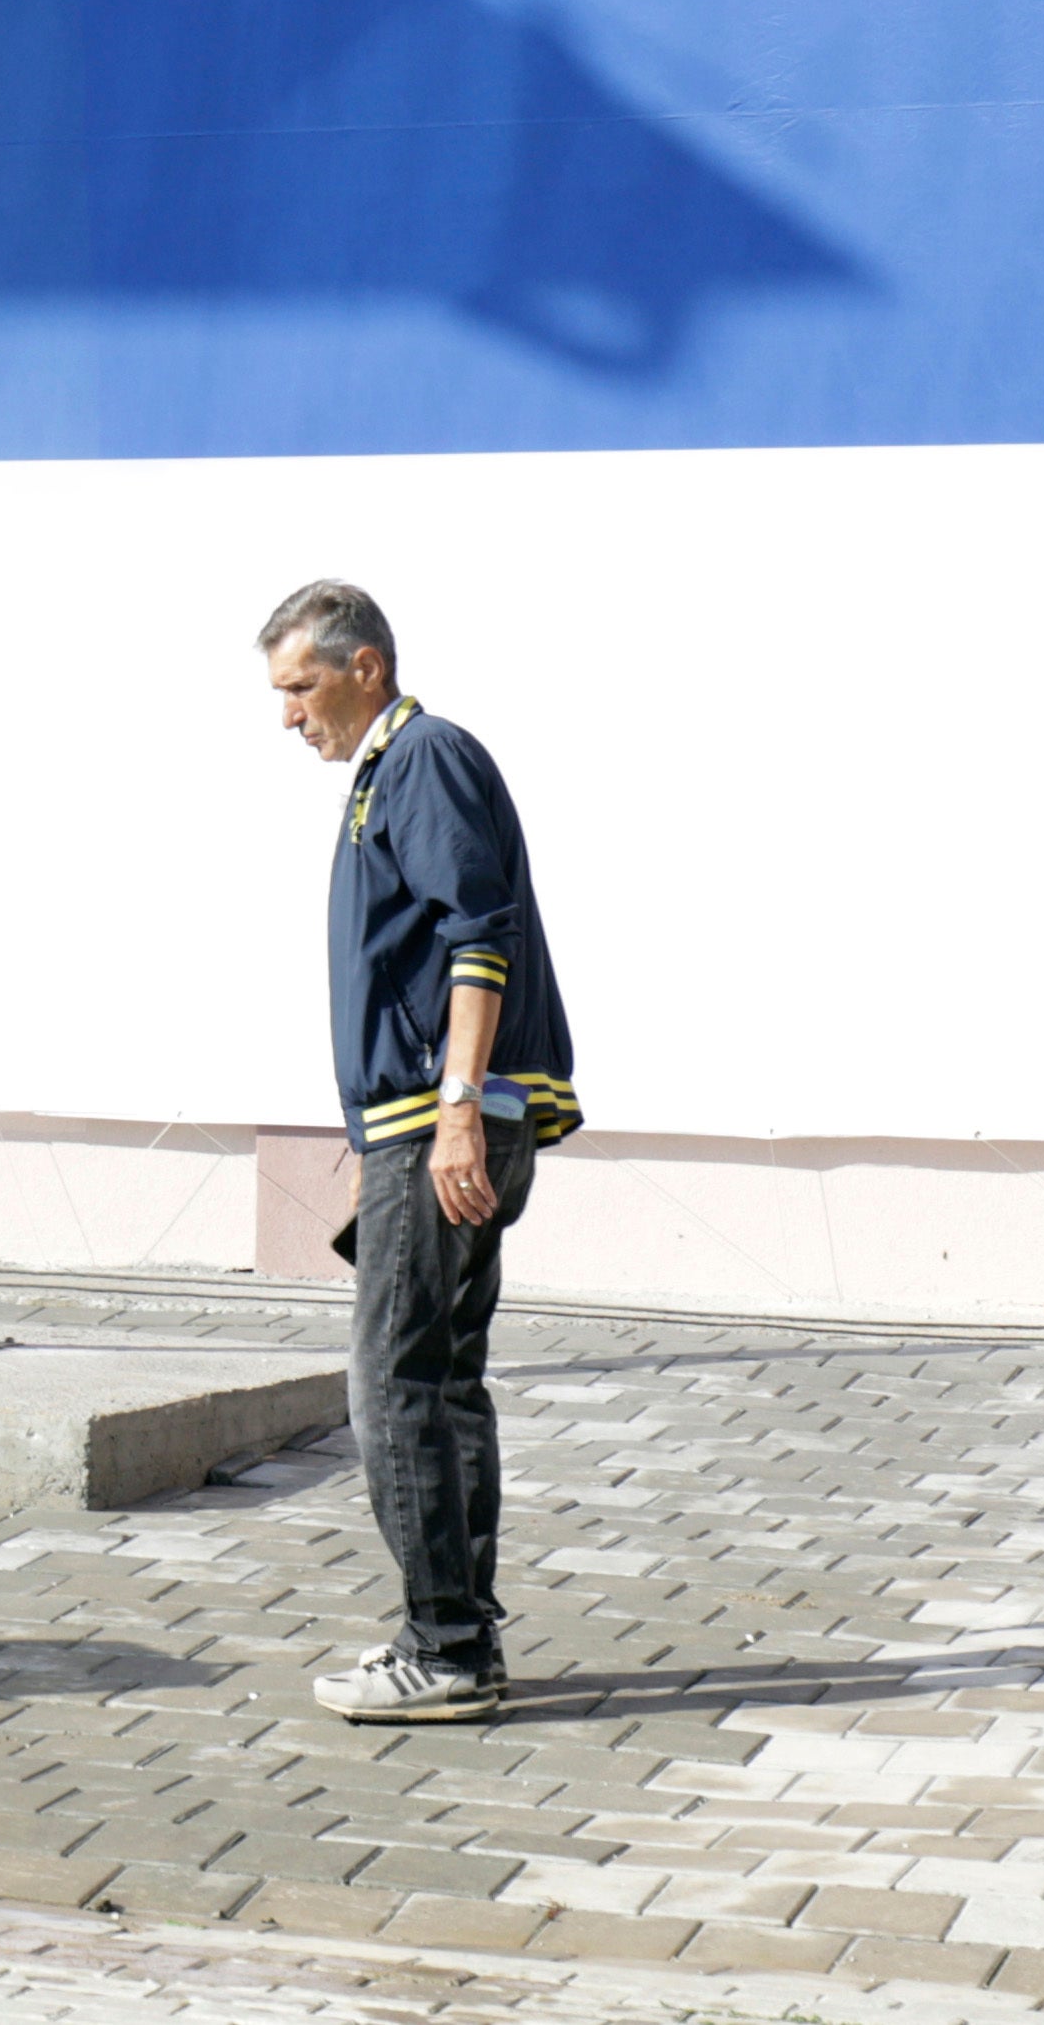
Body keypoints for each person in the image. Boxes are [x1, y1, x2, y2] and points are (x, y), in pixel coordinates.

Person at [260, 579, 575, 1724]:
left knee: (396, 1383)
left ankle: (443, 1646)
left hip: (445, 1120)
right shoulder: (384, 776)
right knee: (436, 1379)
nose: (289, 715)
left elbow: (475, 932)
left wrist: (451, 1109)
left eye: (300, 686)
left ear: (366, 668)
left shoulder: (424, 756)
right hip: (426, 1123)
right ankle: (458, 1639)